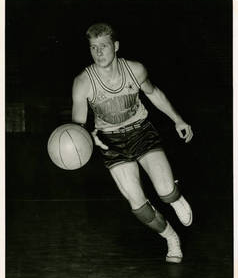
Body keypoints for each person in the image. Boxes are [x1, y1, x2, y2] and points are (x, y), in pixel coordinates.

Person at [72, 22, 193, 264]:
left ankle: (175, 197)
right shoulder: (83, 82)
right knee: (138, 205)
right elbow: (77, 126)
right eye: (93, 47)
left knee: (166, 192)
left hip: (141, 132)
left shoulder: (135, 70)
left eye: (103, 46)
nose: (98, 52)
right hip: (110, 141)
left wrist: (178, 120)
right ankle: (171, 238)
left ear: (115, 46)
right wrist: (88, 137)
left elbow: (154, 93)